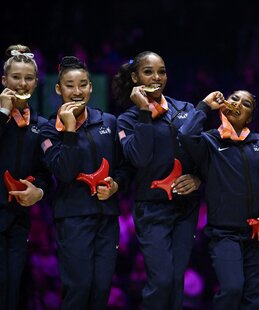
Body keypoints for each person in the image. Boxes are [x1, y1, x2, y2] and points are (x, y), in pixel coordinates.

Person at [39, 56, 131, 310]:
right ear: (59, 89)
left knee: (101, 290)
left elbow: (124, 167)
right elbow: (64, 173)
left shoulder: (109, 122)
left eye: (83, 85)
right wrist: (69, 131)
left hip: (107, 219)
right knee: (79, 289)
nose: (77, 92)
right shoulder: (48, 130)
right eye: (70, 85)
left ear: (91, 87)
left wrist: (116, 186)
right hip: (73, 219)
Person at [178, 89, 259, 308]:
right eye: (234, 99)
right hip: (225, 234)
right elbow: (186, 134)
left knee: (255, 299)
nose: (238, 104)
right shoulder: (209, 142)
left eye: (246, 104)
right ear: (224, 105)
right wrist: (205, 105)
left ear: (250, 117)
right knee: (232, 289)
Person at [113, 51, 201, 309]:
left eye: (161, 71)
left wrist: (197, 178)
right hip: (152, 210)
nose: (156, 77)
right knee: (161, 281)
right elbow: (139, 158)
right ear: (135, 77)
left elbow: (203, 155)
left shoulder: (185, 109)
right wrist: (143, 112)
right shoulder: (126, 120)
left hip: (186, 208)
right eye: (148, 71)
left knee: (175, 281)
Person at [0, 44, 52, 310]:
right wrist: (3, 113)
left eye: (29, 78)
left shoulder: (40, 125)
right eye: (16, 77)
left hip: (18, 220)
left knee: (13, 286)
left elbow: (45, 173)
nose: (22, 84)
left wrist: (38, 192)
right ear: (4, 81)